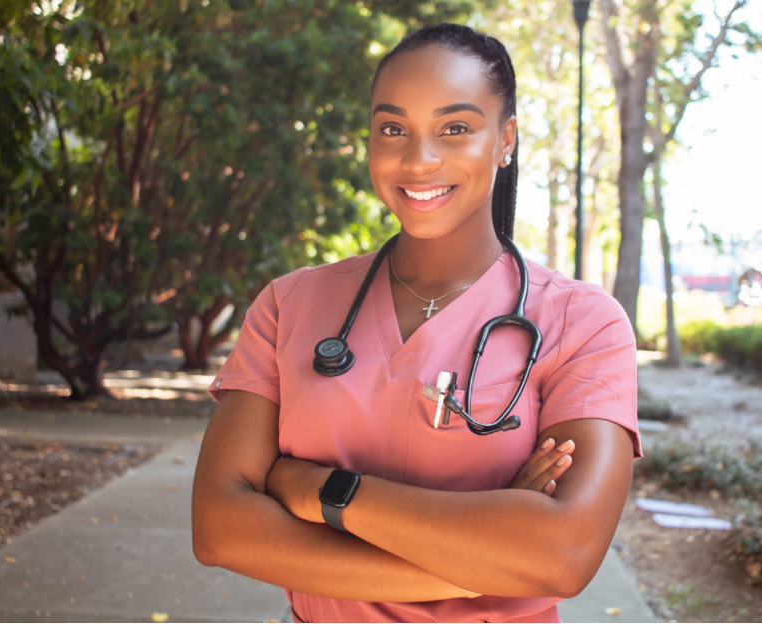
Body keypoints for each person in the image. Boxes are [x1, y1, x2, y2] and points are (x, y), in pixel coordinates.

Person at [191, 23, 641, 624]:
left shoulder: (583, 324)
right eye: (393, 129)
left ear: (505, 139)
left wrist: (319, 491)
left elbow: (565, 553)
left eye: (455, 128)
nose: (419, 159)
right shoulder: (288, 305)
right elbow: (220, 528)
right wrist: (486, 561)